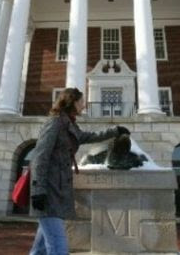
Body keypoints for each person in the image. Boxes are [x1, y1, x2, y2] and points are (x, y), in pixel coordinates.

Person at [29, 87, 129, 255]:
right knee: (58, 248)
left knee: (40, 249)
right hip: (48, 191)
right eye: (81, 102)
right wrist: (38, 189)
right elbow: (40, 156)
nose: (84, 106)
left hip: (58, 191)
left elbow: (86, 137)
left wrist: (115, 131)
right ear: (72, 102)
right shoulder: (54, 122)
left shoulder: (68, 123)